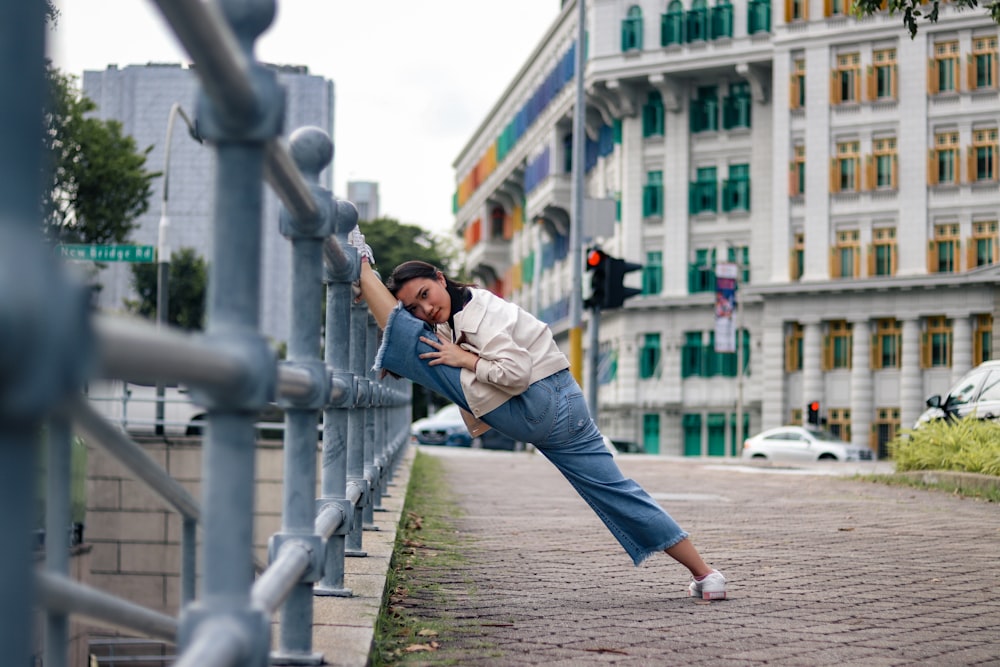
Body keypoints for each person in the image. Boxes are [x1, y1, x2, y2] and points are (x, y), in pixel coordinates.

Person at [349, 230, 726, 600]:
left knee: (418, 348)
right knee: (617, 491)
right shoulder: (462, 307)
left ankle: (363, 268)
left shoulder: (480, 313)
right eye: (414, 307)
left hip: (535, 401)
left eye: (425, 295)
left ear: (440, 279)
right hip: (567, 402)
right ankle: (706, 575)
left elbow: (515, 373)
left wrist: (462, 358)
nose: (426, 308)